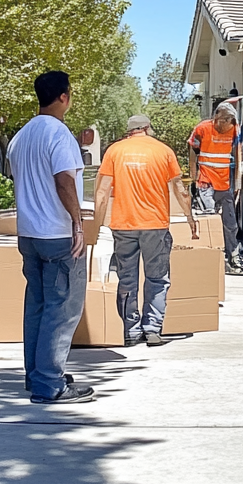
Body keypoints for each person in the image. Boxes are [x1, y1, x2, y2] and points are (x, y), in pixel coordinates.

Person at [7, 71, 93, 404]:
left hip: (29, 233)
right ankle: (49, 382)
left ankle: (38, 373)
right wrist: (77, 223)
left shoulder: (21, 136)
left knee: (38, 306)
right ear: (64, 97)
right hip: (57, 234)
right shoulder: (59, 134)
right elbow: (63, 181)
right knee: (63, 308)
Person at [95, 115, 198, 347]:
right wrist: (189, 217)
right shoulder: (163, 151)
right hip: (155, 226)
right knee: (157, 278)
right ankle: (152, 329)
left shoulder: (114, 151)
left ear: (129, 131)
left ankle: (130, 331)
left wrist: (97, 225)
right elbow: (180, 189)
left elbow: (102, 192)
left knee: (127, 279)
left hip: (124, 225)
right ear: (147, 128)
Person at [188, 101, 243, 275]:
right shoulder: (202, 129)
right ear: (217, 119)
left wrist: (237, 182)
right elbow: (193, 150)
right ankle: (212, 258)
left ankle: (233, 258)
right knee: (210, 220)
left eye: (231, 123)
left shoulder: (234, 130)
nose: (228, 126)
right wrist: (193, 176)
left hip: (224, 184)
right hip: (206, 182)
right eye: (225, 122)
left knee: (230, 224)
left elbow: (238, 153)